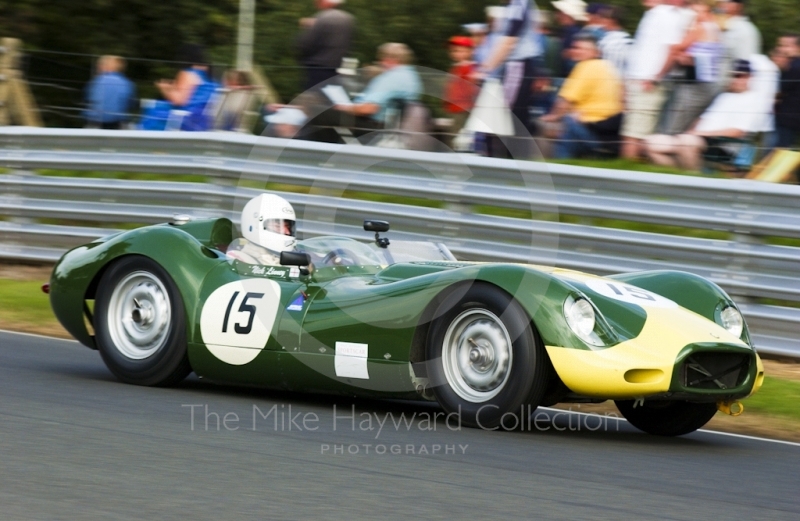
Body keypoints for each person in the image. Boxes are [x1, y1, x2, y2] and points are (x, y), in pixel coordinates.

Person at [644, 59, 762, 172]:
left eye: (741, 76)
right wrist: (692, 132)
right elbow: (702, 119)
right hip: (698, 139)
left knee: (686, 141)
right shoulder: (724, 96)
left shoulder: (752, 100)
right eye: (733, 76)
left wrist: (700, 134)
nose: (736, 80)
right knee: (652, 142)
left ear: (750, 77)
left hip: (721, 144)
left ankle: (694, 178)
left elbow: (737, 132)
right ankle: (679, 177)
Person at [621, 0, 688, 159]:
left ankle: (626, 176)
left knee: (633, 136)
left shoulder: (669, 16)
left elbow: (672, 51)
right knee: (634, 133)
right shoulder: (654, 14)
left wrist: (655, 78)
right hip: (637, 81)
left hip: (647, 83)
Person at [540, 34, 623, 158]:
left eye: (583, 49)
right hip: (612, 131)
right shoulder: (609, 66)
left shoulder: (585, 66)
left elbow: (565, 100)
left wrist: (553, 117)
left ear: (596, 52)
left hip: (593, 131)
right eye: (575, 48)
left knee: (565, 125)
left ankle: (559, 168)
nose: (577, 51)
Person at [479, 0, 542, 158]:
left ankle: (511, 165)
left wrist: (485, 68)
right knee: (514, 117)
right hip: (518, 65)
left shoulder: (518, 4)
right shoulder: (517, 5)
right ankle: (515, 165)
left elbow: (509, 41)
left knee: (508, 117)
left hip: (518, 65)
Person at [659, 0, 724, 135]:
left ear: (706, 9)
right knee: (685, 127)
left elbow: (676, 47)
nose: (693, 14)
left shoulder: (700, 28)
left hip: (694, 85)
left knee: (673, 128)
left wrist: (678, 50)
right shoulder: (716, 28)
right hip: (708, 85)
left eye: (696, 10)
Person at [333, 43, 421, 131]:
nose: (380, 63)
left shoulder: (391, 77)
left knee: (324, 114)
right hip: (393, 127)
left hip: (372, 126)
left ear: (389, 60)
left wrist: (344, 107)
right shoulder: (412, 77)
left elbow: (367, 109)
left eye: (381, 60)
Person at [140, 44, 219, 131]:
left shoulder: (187, 73)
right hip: (204, 120)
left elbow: (179, 101)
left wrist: (165, 89)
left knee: (153, 109)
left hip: (188, 120)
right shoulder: (208, 74)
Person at [297, 0, 355, 91]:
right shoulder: (348, 19)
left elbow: (305, 43)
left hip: (317, 68)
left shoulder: (322, 17)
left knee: (312, 98)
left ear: (326, 3)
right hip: (337, 67)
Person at [227, 194, 297, 266]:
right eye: (277, 226)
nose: (287, 232)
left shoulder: (292, 260)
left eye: (288, 227)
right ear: (253, 225)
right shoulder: (239, 259)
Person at [443, 36, 480, 140]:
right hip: (454, 108)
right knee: (454, 132)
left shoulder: (469, 69)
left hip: (463, 108)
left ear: (470, 52)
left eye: (458, 51)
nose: (454, 53)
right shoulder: (456, 68)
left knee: (457, 134)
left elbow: (471, 89)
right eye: (452, 51)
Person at [84, 55, 135, 130]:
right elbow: (131, 104)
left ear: (106, 67)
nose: (98, 67)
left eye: (100, 65)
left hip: (95, 123)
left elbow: (87, 99)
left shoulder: (96, 81)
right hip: (118, 124)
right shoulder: (127, 83)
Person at [774, 35, 800, 148]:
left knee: (781, 149)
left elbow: (780, 88)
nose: (782, 49)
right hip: (793, 116)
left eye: (786, 46)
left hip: (788, 117)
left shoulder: (793, 66)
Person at [551, 0, 587, 77]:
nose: (557, 15)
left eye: (559, 12)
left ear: (565, 14)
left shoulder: (572, 33)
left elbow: (569, 56)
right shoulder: (570, 31)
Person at [597, 5, 632, 77]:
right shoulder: (629, 40)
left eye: (603, 17)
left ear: (612, 21)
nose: (600, 21)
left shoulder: (606, 41)